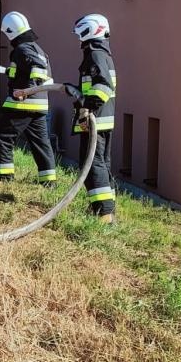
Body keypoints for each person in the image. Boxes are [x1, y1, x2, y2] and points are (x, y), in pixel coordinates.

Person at [0, 11, 57, 184]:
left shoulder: (22, 49)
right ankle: (49, 181)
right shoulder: (37, 48)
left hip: (23, 104)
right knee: (41, 143)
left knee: (2, 137)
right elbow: (26, 70)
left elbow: (38, 69)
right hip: (40, 105)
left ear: (10, 31)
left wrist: (25, 91)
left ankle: (4, 178)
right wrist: (11, 72)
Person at [72, 13, 117, 222]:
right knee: (102, 164)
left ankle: (103, 214)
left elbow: (102, 86)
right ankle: (108, 211)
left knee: (92, 165)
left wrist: (86, 108)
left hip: (95, 120)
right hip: (103, 120)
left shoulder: (95, 54)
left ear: (89, 29)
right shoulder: (102, 53)